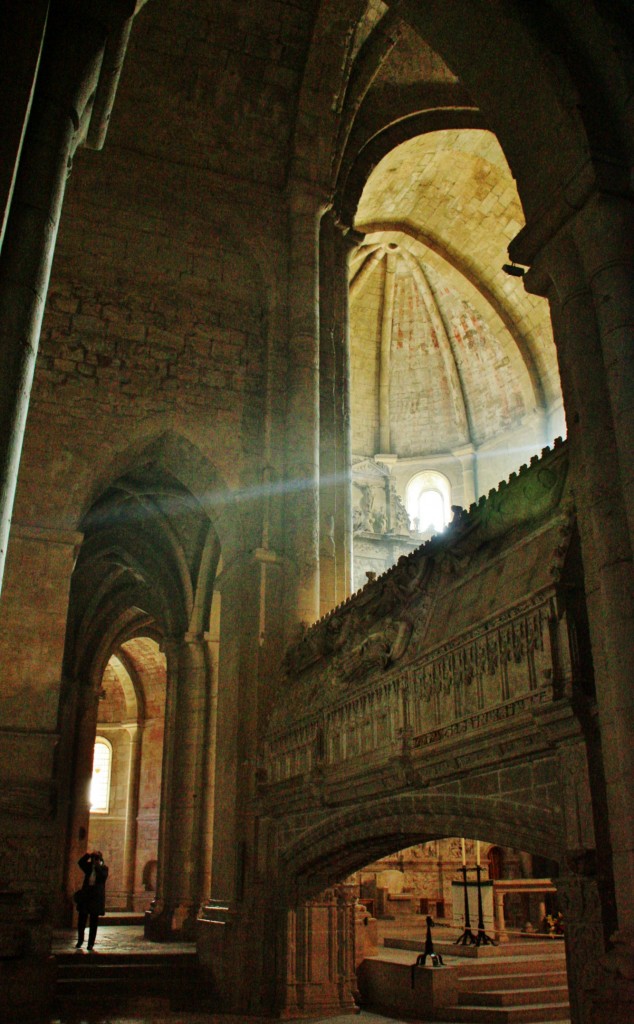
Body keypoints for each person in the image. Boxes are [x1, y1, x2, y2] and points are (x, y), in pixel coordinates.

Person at [75, 850, 108, 951]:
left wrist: (97, 866)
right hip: (86, 897)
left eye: (97, 858)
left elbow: (103, 877)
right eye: (95, 858)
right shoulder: (89, 867)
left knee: (94, 922)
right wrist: (88, 855)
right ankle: (80, 940)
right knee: (81, 921)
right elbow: (80, 863)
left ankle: (90, 944)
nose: (95, 860)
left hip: (96, 898)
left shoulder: (104, 868)